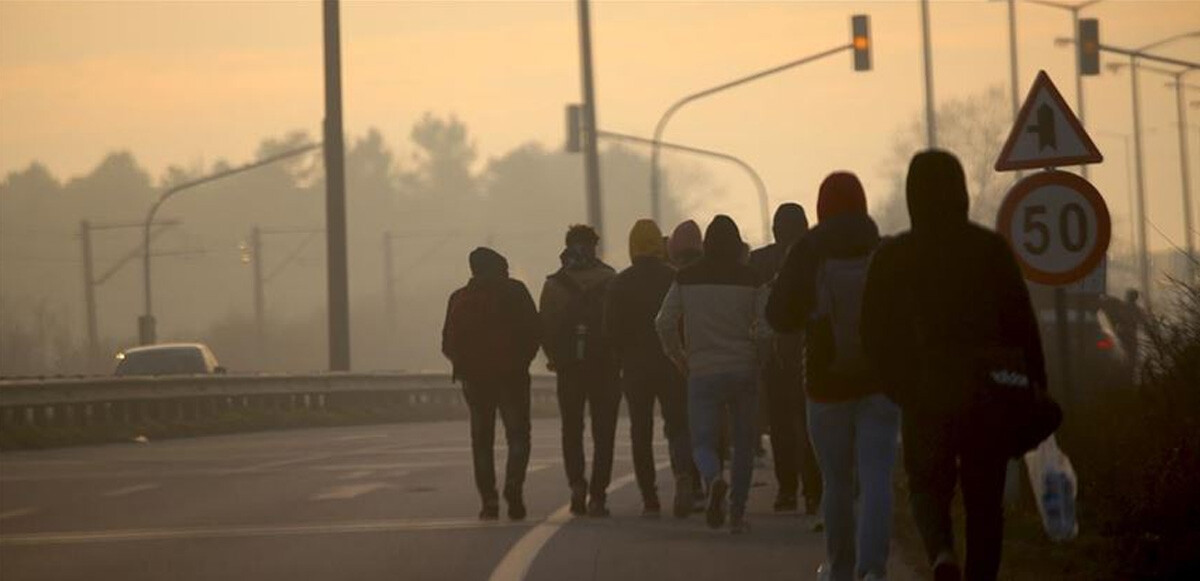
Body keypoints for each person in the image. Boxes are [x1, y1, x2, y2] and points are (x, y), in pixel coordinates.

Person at [860, 150, 1048, 581]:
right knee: (985, 499)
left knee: (926, 484)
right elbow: (1022, 323)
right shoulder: (989, 249)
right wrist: (1035, 385)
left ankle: (942, 553)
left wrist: (897, 385)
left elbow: (873, 332)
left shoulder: (894, 257)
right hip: (989, 394)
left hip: (925, 392)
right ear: (961, 191)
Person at [767, 173, 899, 581]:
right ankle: (874, 568)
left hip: (825, 383)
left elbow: (777, 316)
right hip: (881, 382)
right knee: (877, 476)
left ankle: (839, 568)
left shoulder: (806, 250)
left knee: (837, 481)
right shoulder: (884, 248)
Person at [656, 215, 769, 534]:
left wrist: (679, 357)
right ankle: (736, 514)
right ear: (737, 244)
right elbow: (765, 328)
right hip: (744, 369)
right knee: (744, 443)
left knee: (702, 442)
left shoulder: (686, 277)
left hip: (702, 370)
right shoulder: (752, 277)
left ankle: (713, 478)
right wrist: (759, 359)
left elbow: (663, 322)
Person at [441, 247, 540, 521]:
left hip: (475, 380)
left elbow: (447, 342)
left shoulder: (459, 297)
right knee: (518, 435)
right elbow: (535, 330)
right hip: (512, 377)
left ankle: (489, 501)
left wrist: (464, 366)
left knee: (482, 440)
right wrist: (522, 360)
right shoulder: (516, 292)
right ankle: (513, 487)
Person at [603, 219, 693, 517]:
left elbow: (611, 330)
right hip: (671, 363)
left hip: (635, 367)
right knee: (678, 424)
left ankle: (649, 497)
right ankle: (683, 480)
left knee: (640, 430)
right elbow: (684, 323)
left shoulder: (620, 282)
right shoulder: (674, 277)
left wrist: (620, 359)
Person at [539, 224, 621, 517]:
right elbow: (619, 325)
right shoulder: (611, 280)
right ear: (594, 246)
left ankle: (576, 485)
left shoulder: (553, 285)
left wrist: (556, 358)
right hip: (605, 368)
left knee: (572, 430)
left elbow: (544, 328)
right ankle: (598, 496)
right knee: (604, 433)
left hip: (569, 369)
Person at [749, 202, 822, 515]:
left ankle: (787, 490)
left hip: (772, 355)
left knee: (779, 426)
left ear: (775, 229)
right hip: (810, 353)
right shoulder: (816, 257)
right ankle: (813, 491)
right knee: (809, 425)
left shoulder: (759, 261)